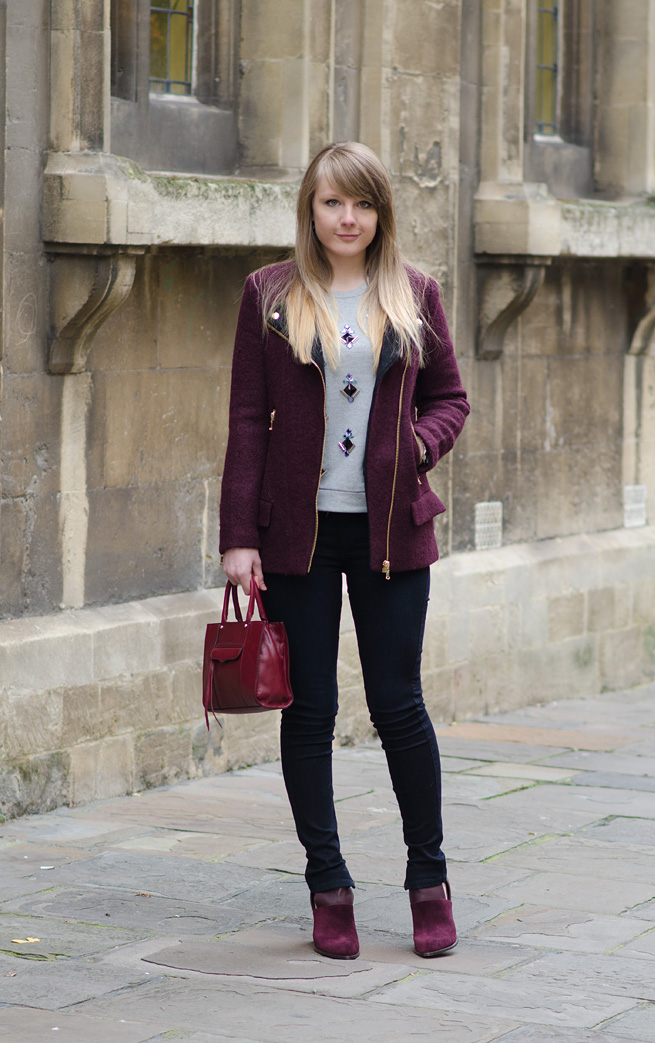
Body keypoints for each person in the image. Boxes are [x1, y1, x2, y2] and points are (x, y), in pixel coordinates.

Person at [220, 141, 470, 960]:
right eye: (332, 202)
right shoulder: (269, 296)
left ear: (380, 212)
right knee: (312, 710)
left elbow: (449, 399)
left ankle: (427, 879)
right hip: (301, 537)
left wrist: (419, 450)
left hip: (395, 533)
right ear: (311, 208)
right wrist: (237, 540)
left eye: (361, 203)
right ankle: (328, 885)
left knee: (399, 704)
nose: (347, 218)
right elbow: (245, 426)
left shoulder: (415, 292)